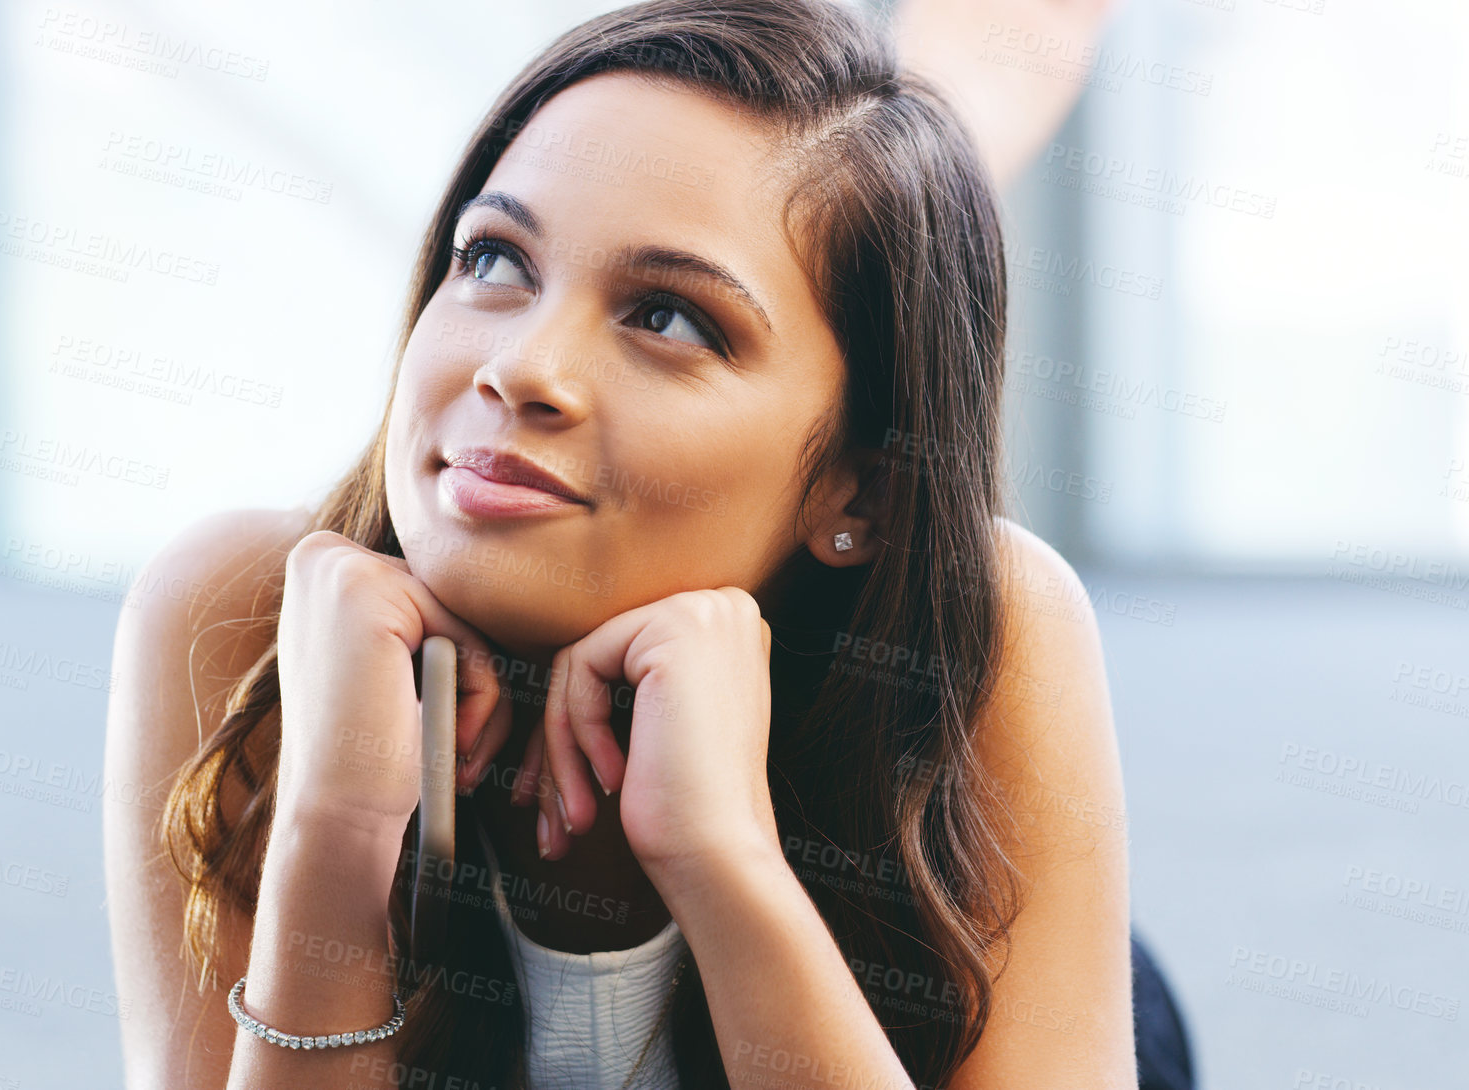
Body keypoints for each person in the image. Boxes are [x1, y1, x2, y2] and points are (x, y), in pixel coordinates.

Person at [102, 1, 1196, 1087]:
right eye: (492, 258)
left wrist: (724, 866)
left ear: (856, 490)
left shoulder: (983, 624)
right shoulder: (239, 611)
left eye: (666, 317)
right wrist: (334, 837)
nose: (520, 367)